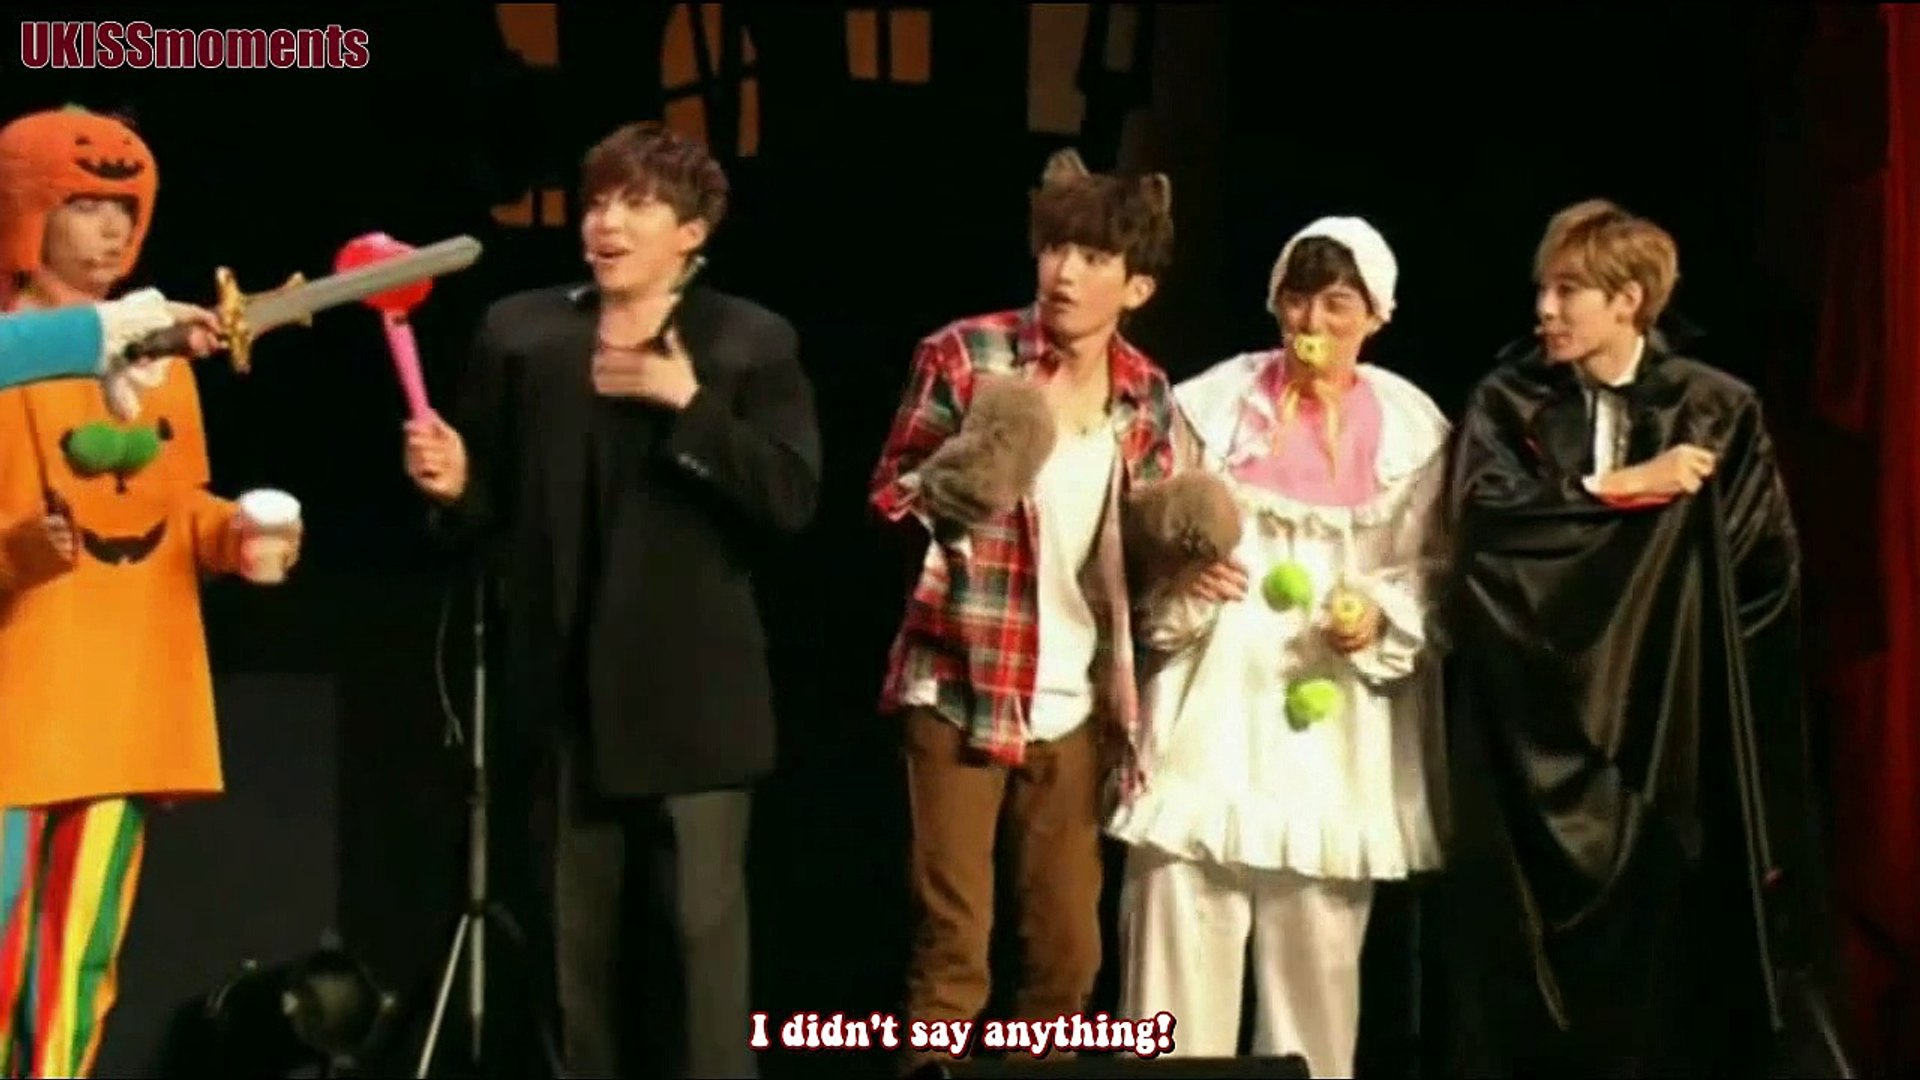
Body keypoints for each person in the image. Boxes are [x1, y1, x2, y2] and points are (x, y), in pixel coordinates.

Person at [402, 121, 821, 1079]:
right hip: (564, 703)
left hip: (697, 711)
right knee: (572, 972)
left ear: (692, 231)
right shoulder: (523, 334)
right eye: (597, 202)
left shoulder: (747, 342)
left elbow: (791, 499)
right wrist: (455, 485)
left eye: (637, 204)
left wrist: (688, 403)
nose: (607, 223)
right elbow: (487, 508)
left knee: (700, 967)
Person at [1432, 198, 1843, 1075]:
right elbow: (1485, 531)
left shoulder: (1715, 409)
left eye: (1567, 290)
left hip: (1661, 731)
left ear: (1629, 300)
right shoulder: (1509, 401)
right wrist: (1618, 489)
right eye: (1542, 289)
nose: (1544, 310)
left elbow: (1760, 573)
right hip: (1529, 729)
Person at [1107, 217, 1449, 1077]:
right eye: (1298, 300)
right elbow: (1144, 538)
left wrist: (1378, 615)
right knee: (1178, 948)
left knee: (1315, 975)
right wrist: (1182, 580)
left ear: (1375, 316)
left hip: (1330, 729)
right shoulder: (1210, 408)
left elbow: (1434, 568)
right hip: (1211, 708)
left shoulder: (1411, 431)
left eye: (1337, 305)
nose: (1312, 323)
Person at [0, 105, 301, 1079]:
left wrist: (234, 536)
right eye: (86, 204)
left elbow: (172, 509)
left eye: (125, 208)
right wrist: (15, 553)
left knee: (77, 958)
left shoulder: (161, 356)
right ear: (28, 212)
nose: (112, 228)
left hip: (119, 700)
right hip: (15, 697)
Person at [868, 148, 1182, 1077]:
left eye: (1092, 258)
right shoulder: (966, 356)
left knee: (1068, 956)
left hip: (1074, 703)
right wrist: (964, 479)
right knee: (953, 948)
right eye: (1054, 249)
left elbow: (1148, 537)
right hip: (961, 682)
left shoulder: (1145, 393)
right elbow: (889, 496)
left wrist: (1188, 558)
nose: (1065, 273)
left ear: (1137, 287)